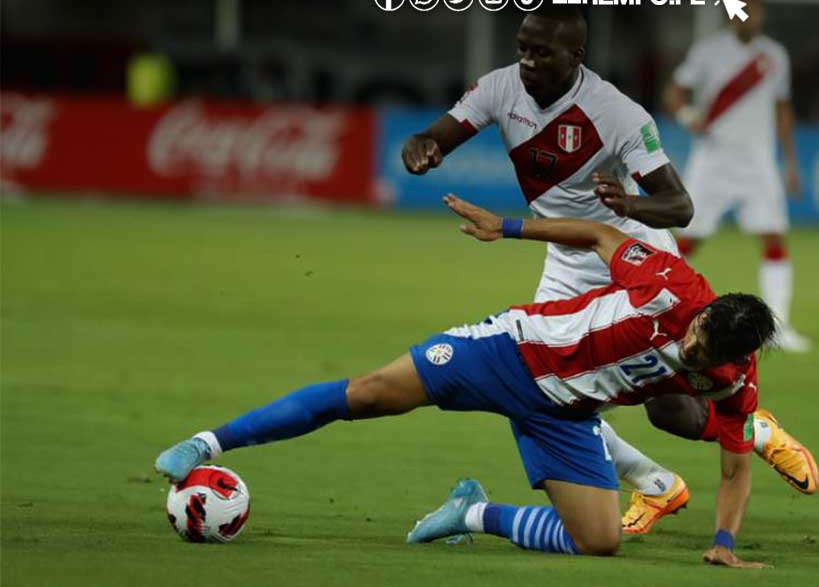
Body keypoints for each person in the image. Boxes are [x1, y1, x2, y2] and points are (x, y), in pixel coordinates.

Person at [156, 195, 775, 567]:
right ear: (706, 311)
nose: (689, 344)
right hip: (509, 352)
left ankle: (471, 513)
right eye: (695, 331)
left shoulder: (730, 379)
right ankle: (207, 444)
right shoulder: (673, 287)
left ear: (732, 356)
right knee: (368, 393)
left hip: (564, 413)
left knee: (599, 542)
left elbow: (735, 463)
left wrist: (723, 540)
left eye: (701, 350)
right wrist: (505, 228)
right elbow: (597, 234)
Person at [401, 5, 818, 535]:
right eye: (522, 48)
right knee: (538, 389)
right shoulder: (499, 88)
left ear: (576, 56)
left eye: (540, 51)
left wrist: (627, 205)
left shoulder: (617, 112)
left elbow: (679, 206)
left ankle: (752, 431)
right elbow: (437, 133)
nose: (527, 60)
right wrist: (423, 146)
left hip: (634, 260)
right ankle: (656, 484)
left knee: (669, 412)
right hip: (566, 259)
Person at [664, 0, 811, 353]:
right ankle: (663, 310)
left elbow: (782, 108)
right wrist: (688, 117)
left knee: (774, 237)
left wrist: (790, 163)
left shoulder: (774, 55)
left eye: (755, 11)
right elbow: (674, 93)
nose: (749, 17)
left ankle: (779, 327)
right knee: (688, 239)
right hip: (713, 159)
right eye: (742, 10)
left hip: (758, 161)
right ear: (730, 15)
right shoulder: (708, 51)